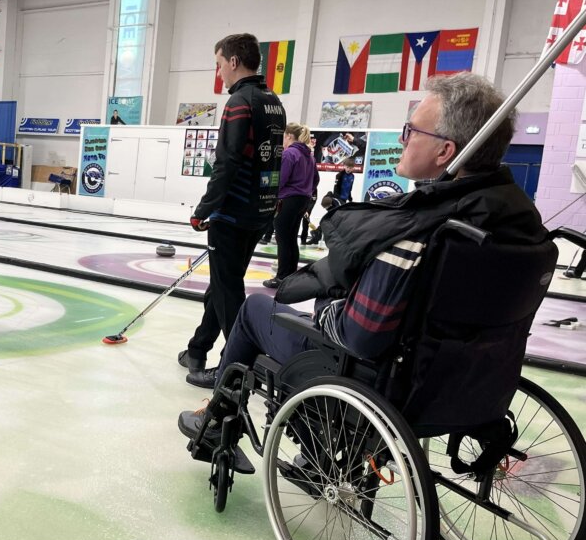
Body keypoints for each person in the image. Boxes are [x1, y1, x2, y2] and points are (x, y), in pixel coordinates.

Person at [180, 73, 548, 406]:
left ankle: (215, 417)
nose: (403, 139)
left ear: (445, 151)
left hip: (380, 377)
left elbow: (360, 335)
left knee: (255, 309)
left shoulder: (422, 230)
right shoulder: (517, 221)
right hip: (470, 383)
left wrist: (328, 303)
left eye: (411, 131)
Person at [177, 33, 286, 376]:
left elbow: (227, 162)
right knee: (224, 284)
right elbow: (273, 160)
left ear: (234, 61)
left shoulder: (240, 101)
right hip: (259, 210)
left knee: (228, 290)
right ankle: (198, 349)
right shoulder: (274, 101)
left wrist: (203, 209)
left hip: (233, 212)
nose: (219, 72)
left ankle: (237, 369)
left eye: (219, 64)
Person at [263, 122, 318, 289]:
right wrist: (306, 191)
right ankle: (291, 276)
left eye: (283, 137)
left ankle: (281, 277)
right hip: (303, 200)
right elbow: (316, 179)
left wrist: (271, 195)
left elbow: (280, 179)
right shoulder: (309, 155)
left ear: (288, 136)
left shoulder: (289, 154)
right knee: (291, 238)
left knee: (283, 238)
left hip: (288, 199)